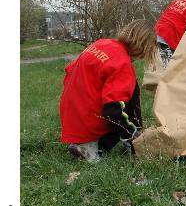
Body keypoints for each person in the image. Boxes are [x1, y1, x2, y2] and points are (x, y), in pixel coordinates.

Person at [59, 20, 157, 162]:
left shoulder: (102, 43)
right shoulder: (123, 64)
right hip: (86, 120)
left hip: (70, 111)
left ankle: (84, 142)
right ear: (143, 46)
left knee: (130, 89)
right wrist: (132, 134)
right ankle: (91, 147)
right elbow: (113, 112)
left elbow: (70, 71)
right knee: (119, 117)